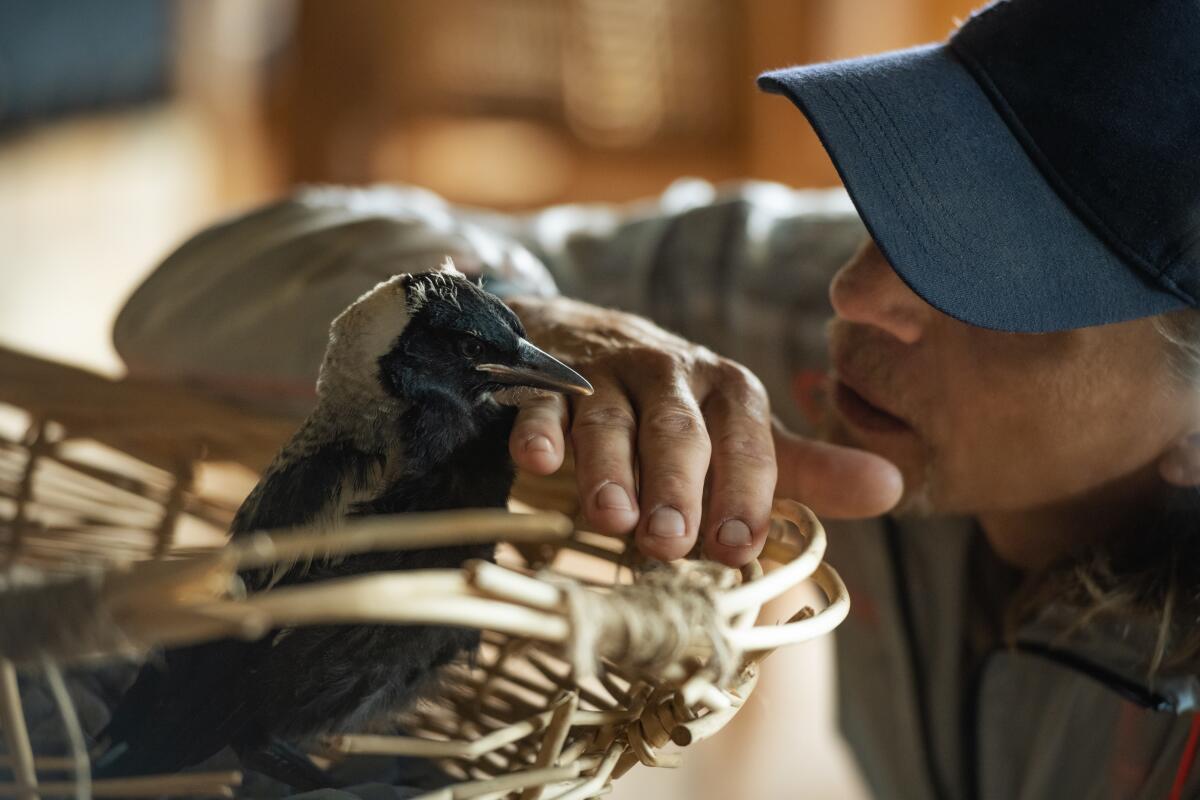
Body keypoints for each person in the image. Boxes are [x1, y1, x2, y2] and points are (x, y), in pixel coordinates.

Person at [107, 0, 1200, 796]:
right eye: (903, 201)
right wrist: (523, 325)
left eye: (990, 275)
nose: (857, 290)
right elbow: (182, 299)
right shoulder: (791, 323)